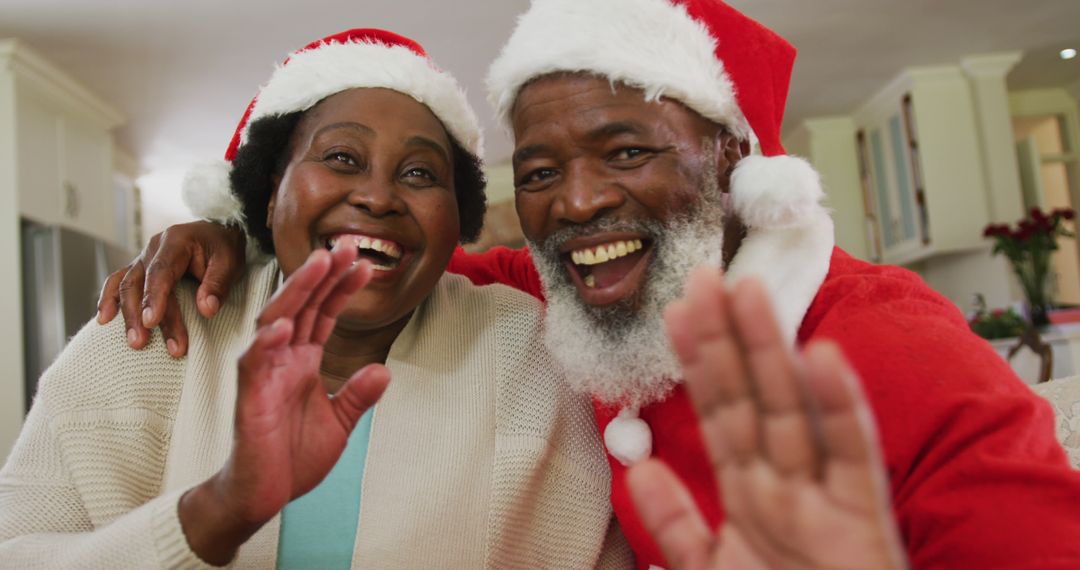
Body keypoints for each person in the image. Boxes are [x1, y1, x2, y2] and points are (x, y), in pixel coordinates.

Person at [100, 1, 1080, 568]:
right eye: (538, 170)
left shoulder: (897, 354)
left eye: (626, 150)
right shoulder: (560, 290)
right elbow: (402, 264)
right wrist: (233, 231)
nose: (575, 202)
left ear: (732, 161)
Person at [0, 28, 632, 569]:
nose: (379, 197)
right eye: (341, 157)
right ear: (272, 191)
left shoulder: (536, 360)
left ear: (456, 220)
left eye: (419, 173)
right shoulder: (155, 330)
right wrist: (219, 509)